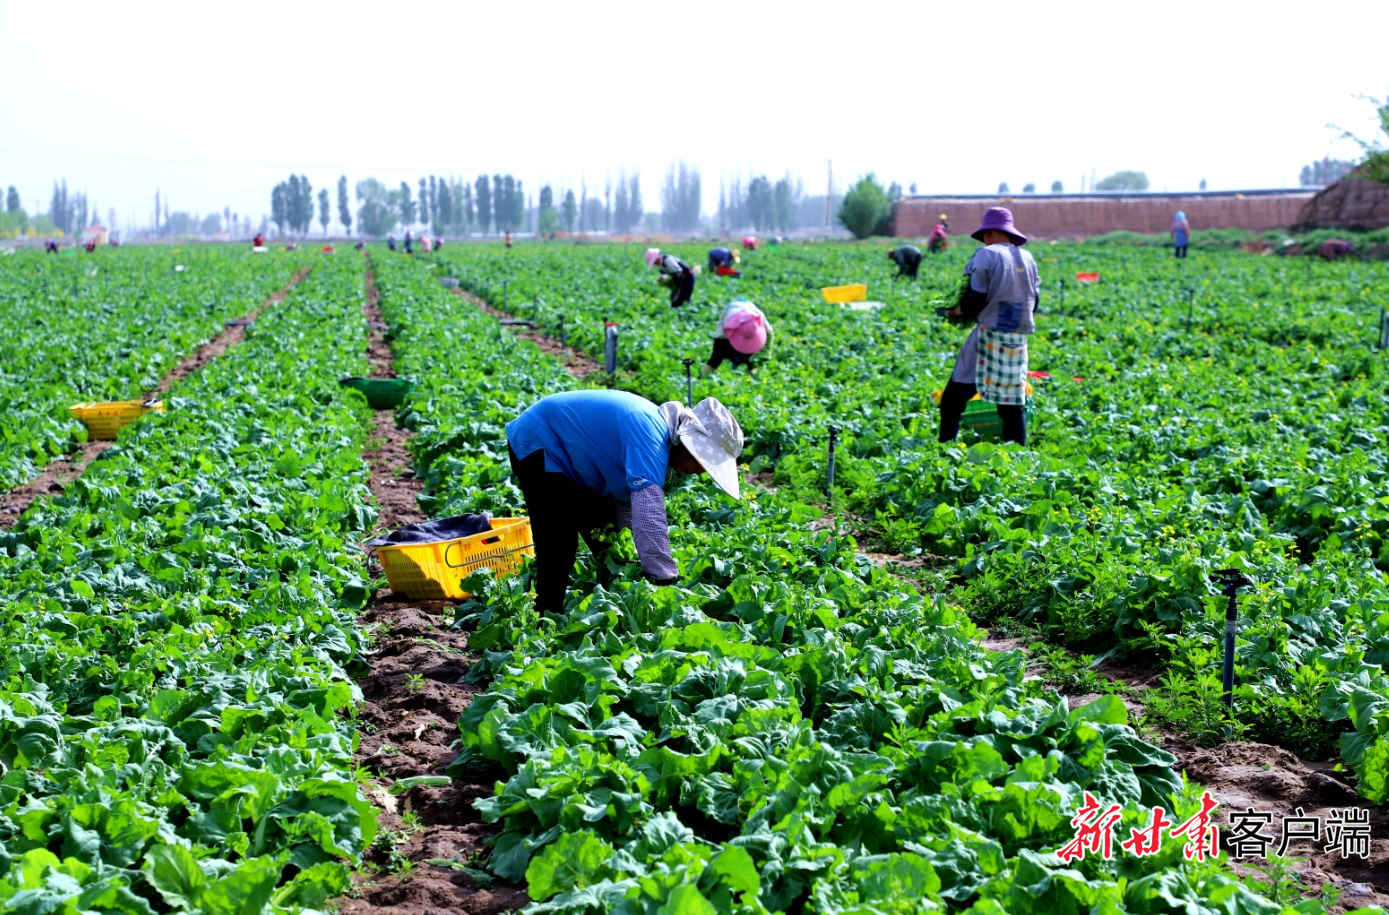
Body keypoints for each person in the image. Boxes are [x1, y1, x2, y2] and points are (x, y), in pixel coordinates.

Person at [506, 391, 743, 615]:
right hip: (539, 440)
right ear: (687, 445)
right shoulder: (650, 437)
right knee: (559, 541)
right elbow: (648, 516)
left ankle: (615, 603)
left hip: (572, 459)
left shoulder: (657, 437)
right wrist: (663, 580)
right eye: (702, 462)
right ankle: (545, 617)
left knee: (606, 539)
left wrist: (631, 555)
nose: (701, 472)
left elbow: (627, 505)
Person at [939, 207, 1040, 446]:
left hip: (988, 337)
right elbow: (1034, 303)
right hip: (1016, 340)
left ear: (990, 233)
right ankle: (1018, 455)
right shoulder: (1028, 259)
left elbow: (975, 299)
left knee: (953, 399)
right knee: (1012, 403)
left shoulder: (987, 254)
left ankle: (945, 451)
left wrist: (953, 311)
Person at [703, 299, 772, 376]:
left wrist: (763, 355)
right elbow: (720, 338)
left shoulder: (760, 317)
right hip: (730, 317)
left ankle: (753, 376)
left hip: (748, 309)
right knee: (716, 357)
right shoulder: (728, 322)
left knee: (753, 360)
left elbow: (770, 333)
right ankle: (703, 377)